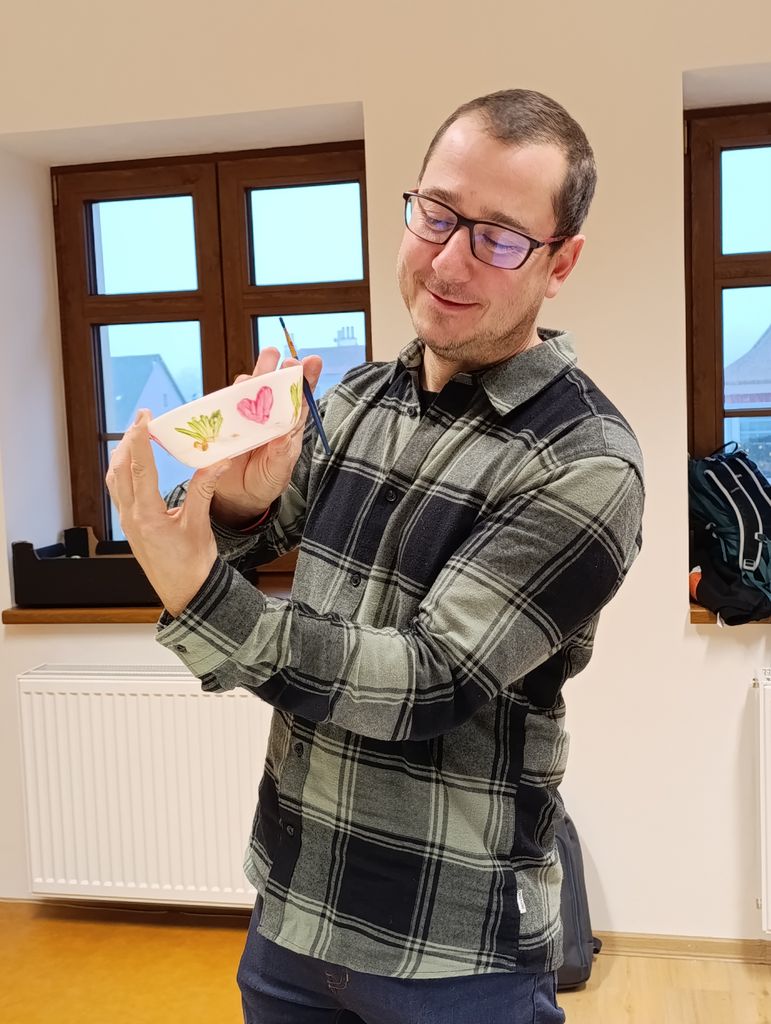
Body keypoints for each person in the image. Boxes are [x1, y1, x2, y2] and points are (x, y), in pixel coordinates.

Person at [107, 88, 644, 1024]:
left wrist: (198, 592)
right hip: (295, 905)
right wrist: (240, 499)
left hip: (455, 949)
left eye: (498, 237)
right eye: (436, 213)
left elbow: (428, 681)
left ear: (560, 262)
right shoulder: (356, 401)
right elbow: (254, 540)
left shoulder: (586, 463)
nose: (448, 259)